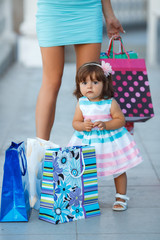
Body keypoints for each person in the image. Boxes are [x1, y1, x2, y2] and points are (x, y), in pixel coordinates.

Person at [35, 0, 124, 140]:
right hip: (52, 9)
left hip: (88, 8)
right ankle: (39, 150)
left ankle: (88, 147)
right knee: (51, 82)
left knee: (90, 80)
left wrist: (109, 15)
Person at [68, 61, 143, 211]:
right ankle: (84, 196)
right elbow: (75, 122)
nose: (89, 86)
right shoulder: (81, 103)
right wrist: (82, 126)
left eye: (95, 82)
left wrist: (106, 124)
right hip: (87, 142)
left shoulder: (110, 103)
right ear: (79, 85)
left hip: (110, 142)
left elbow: (120, 120)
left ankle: (121, 197)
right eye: (84, 83)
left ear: (105, 84)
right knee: (84, 169)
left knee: (118, 168)